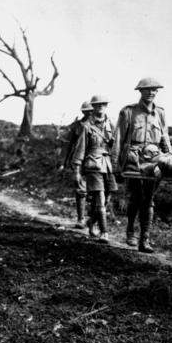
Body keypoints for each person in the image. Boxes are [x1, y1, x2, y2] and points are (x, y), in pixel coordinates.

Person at [114, 77, 172, 253]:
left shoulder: (160, 113)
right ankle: (131, 230)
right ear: (140, 91)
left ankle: (144, 239)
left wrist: (169, 155)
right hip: (134, 159)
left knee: (149, 199)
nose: (151, 93)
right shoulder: (128, 112)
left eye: (154, 90)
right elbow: (118, 139)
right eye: (147, 90)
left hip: (154, 158)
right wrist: (116, 165)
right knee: (136, 197)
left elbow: (164, 136)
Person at [71, 95, 118, 243]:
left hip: (108, 164)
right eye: (97, 105)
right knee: (100, 197)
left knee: (107, 198)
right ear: (93, 107)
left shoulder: (111, 123)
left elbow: (117, 145)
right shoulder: (87, 126)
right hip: (93, 164)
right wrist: (77, 171)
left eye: (103, 105)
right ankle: (104, 232)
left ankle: (92, 222)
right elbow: (80, 149)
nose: (101, 107)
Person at [63, 101, 94, 229]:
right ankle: (81, 219)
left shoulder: (100, 125)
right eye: (87, 111)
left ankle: (93, 220)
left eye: (92, 111)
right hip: (79, 160)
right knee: (81, 190)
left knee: (96, 191)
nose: (90, 113)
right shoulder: (77, 126)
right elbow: (69, 144)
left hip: (95, 161)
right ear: (83, 112)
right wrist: (65, 161)